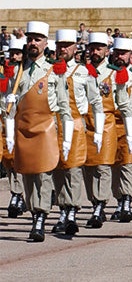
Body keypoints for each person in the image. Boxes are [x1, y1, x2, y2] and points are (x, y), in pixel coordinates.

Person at [3, 21, 73, 242]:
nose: (33, 43)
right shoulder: (19, 70)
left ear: (45, 43)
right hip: (24, 129)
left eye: (37, 39)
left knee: (43, 175)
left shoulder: (54, 70)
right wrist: (8, 105)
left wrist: (67, 138)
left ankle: (40, 218)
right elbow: (8, 106)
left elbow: (63, 105)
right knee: (27, 174)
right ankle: (35, 210)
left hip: (45, 128)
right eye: (30, 39)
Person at [51, 29, 103, 237]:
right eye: (60, 45)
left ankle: (72, 210)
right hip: (54, 124)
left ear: (75, 48)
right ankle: (63, 210)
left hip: (75, 123)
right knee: (57, 170)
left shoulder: (84, 72)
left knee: (73, 169)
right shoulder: (51, 71)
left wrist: (98, 131)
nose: (63, 49)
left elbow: (96, 102)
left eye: (67, 45)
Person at [82, 32, 118, 229]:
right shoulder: (82, 72)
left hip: (106, 123)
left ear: (106, 51)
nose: (95, 52)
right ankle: (95, 202)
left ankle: (100, 204)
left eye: (99, 48)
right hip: (85, 122)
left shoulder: (113, 74)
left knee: (103, 165)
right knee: (88, 167)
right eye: (92, 48)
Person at [105, 38, 132, 224]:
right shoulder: (107, 75)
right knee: (113, 164)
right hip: (110, 123)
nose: (119, 56)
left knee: (126, 162)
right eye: (117, 53)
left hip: (128, 123)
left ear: (130, 55)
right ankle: (118, 199)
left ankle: (126, 200)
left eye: (123, 53)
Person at [2, 37, 26, 218]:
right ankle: (16, 193)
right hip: (5, 119)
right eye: (11, 54)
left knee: (21, 159)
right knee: (9, 159)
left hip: (22, 120)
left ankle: (19, 194)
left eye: (17, 53)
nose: (14, 57)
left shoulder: (25, 71)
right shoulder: (5, 71)